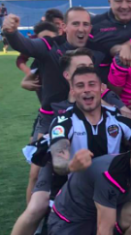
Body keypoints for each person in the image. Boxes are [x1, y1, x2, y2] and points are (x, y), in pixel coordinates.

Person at [0, 65, 131, 235]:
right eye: (80, 86)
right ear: (72, 91)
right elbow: (58, 158)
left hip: (107, 203)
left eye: (92, 85)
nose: (86, 90)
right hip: (73, 207)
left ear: (102, 88)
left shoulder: (118, 119)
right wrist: (71, 166)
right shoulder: (63, 121)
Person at [2, 8, 100, 140]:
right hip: (51, 116)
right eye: (75, 24)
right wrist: (11, 32)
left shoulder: (98, 48)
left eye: (85, 24)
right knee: (38, 156)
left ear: (90, 27)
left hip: (89, 115)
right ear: (64, 27)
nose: (81, 29)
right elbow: (25, 45)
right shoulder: (50, 45)